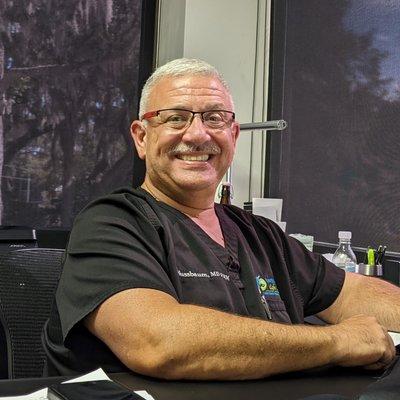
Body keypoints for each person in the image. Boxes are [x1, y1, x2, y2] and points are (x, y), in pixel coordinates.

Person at [43, 58, 400, 380]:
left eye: (215, 118)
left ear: (233, 135)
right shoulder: (112, 224)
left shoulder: (260, 234)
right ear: (141, 137)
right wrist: (336, 342)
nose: (198, 135)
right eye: (176, 118)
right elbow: (158, 343)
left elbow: (354, 292)